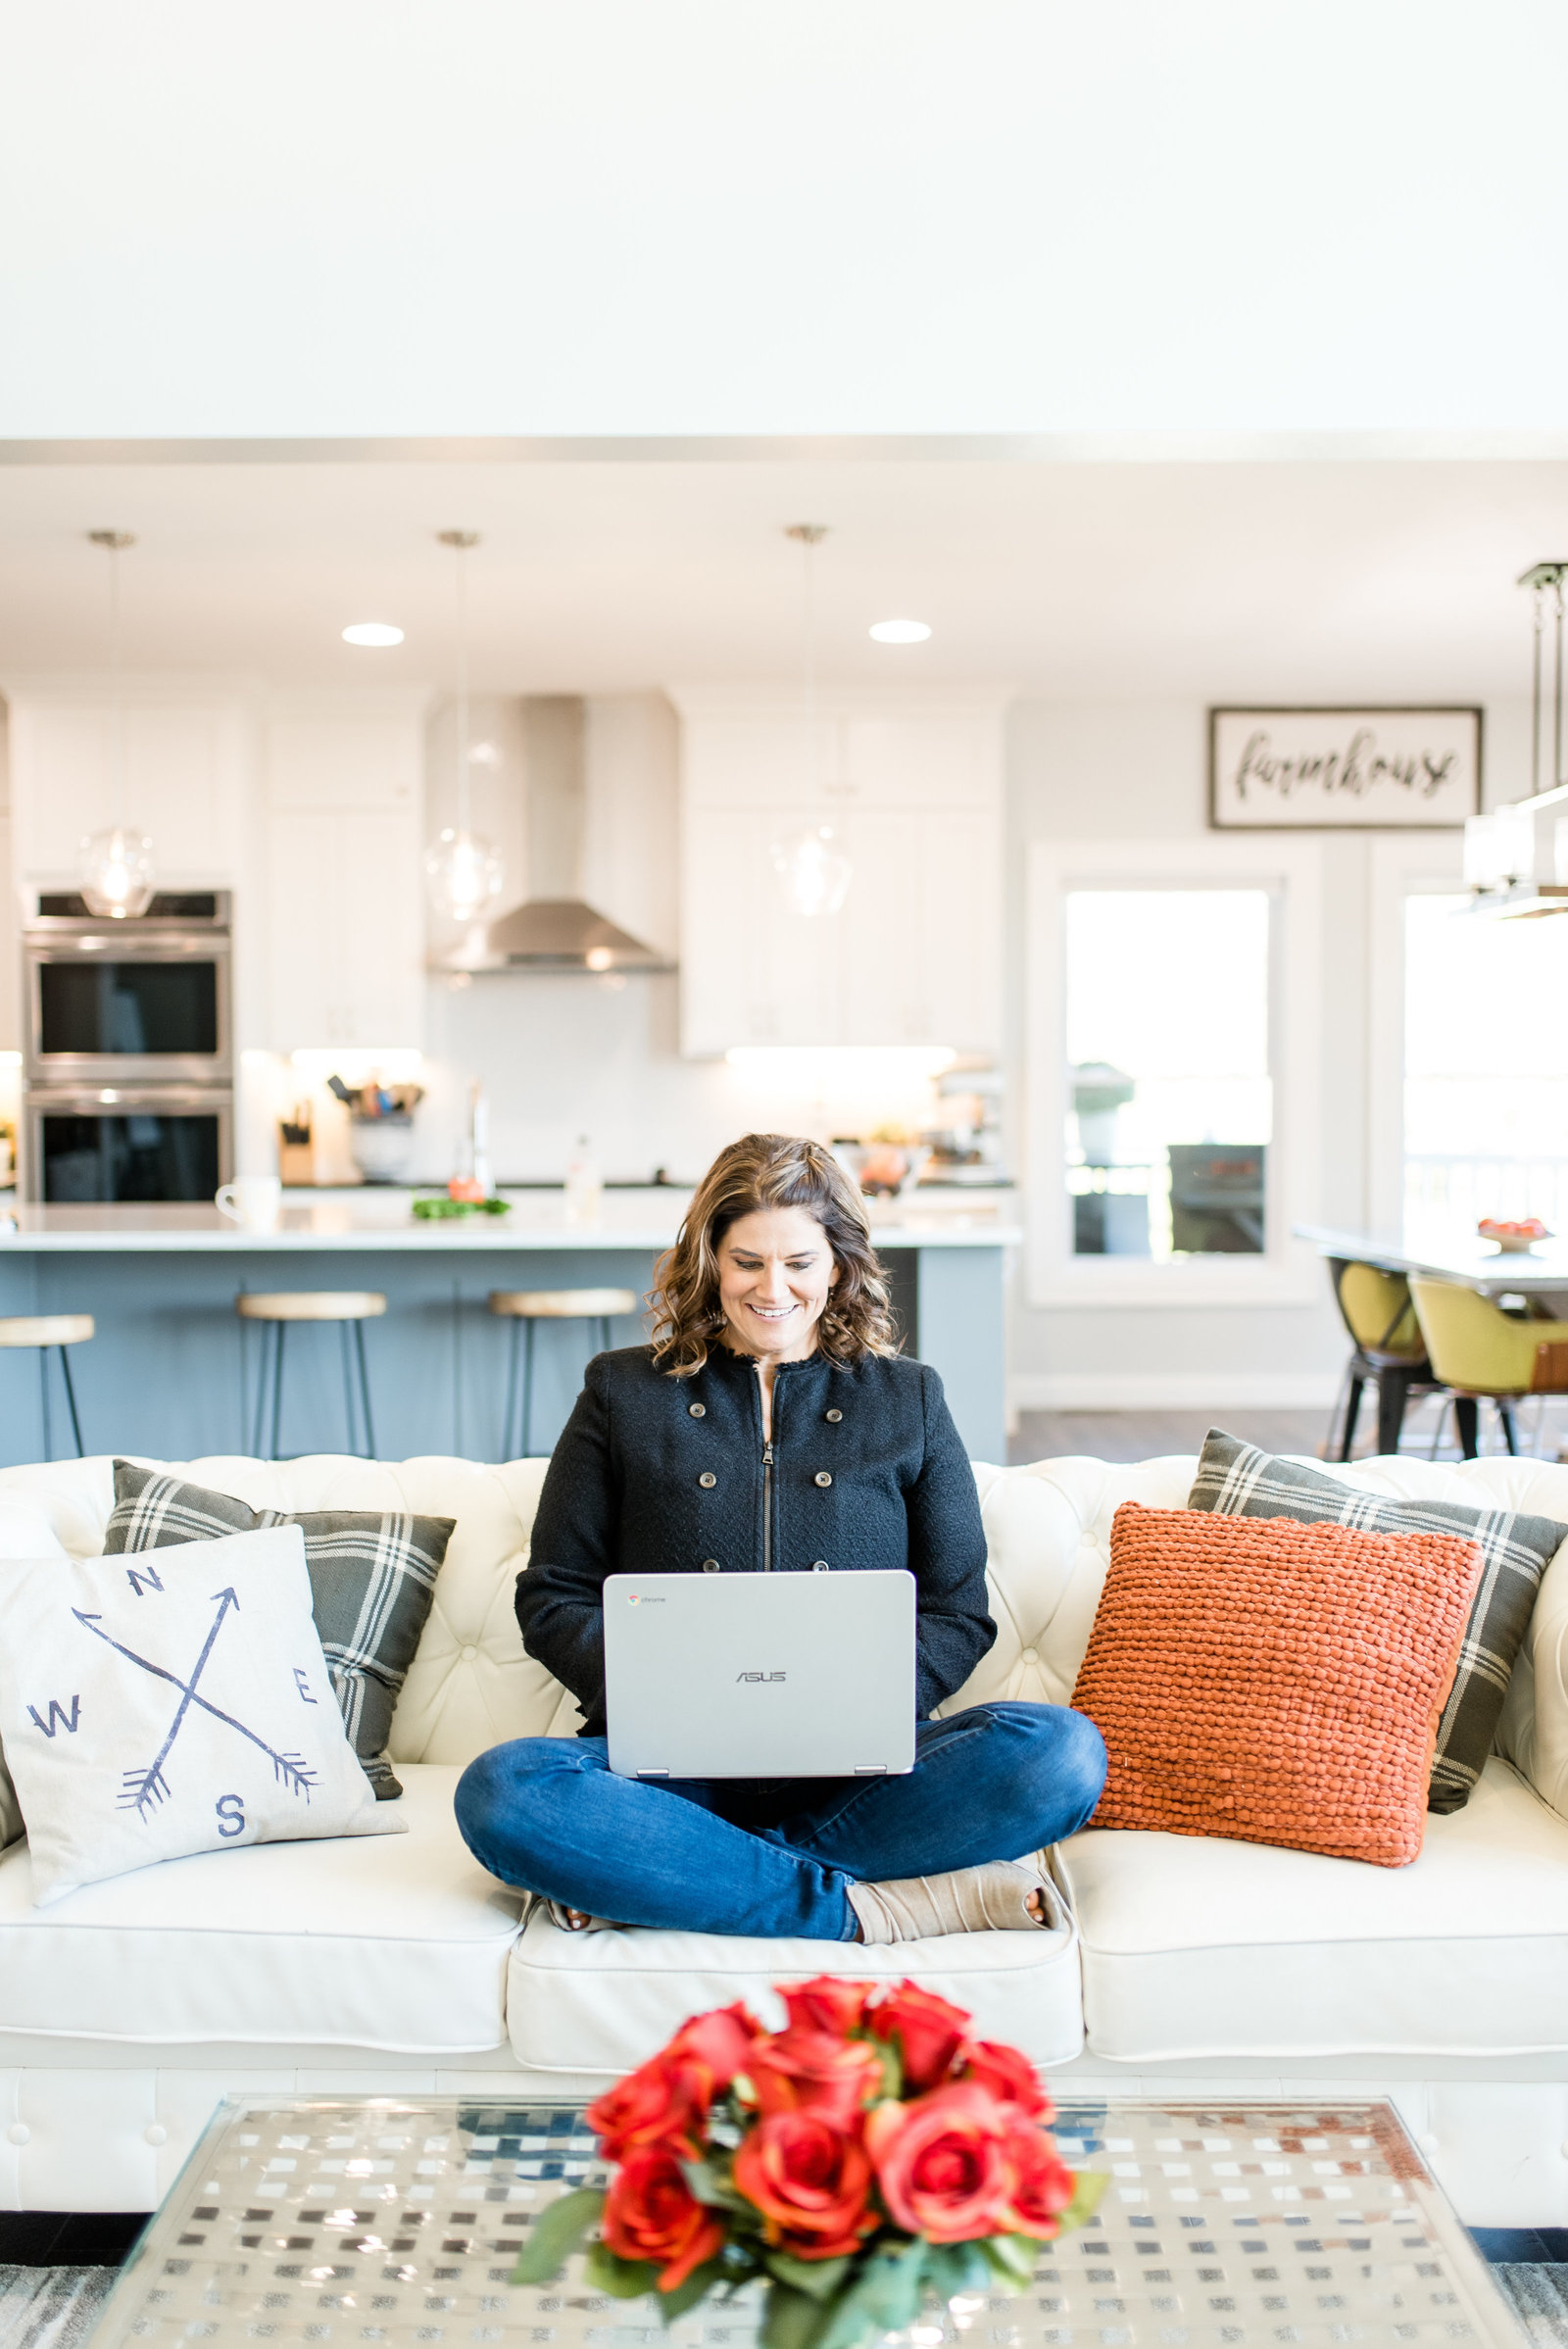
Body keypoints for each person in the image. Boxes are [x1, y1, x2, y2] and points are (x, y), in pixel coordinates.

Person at [454, 1132, 1105, 1941]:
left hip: (858, 1777)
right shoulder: (621, 1392)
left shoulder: (911, 1399)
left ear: (837, 1265)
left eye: (799, 1261)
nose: (773, 1288)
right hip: (668, 1776)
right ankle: (871, 1906)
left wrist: (856, 1703)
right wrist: (662, 1698)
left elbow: (956, 1609)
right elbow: (553, 1592)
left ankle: (679, 1874)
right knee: (502, 1791)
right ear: (710, 1262)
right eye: (747, 1261)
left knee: (1062, 1753)